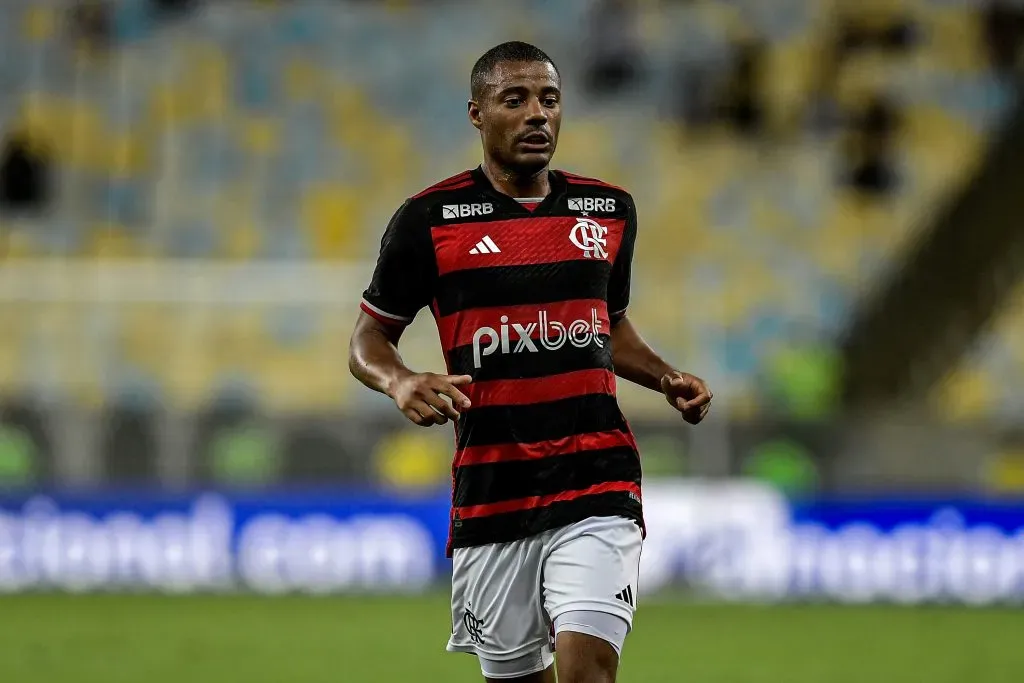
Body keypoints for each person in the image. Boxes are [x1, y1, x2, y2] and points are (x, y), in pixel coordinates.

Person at [348, 41, 712, 683]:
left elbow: (608, 324)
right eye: (514, 100)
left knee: (586, 671)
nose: (537, 114)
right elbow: (368, 340)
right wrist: (399, 379)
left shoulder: (607, 211)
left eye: (548, 99)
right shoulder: (428, 221)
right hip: (495, 493)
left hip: (596, 477)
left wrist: (664, 377)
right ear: (477, 114)